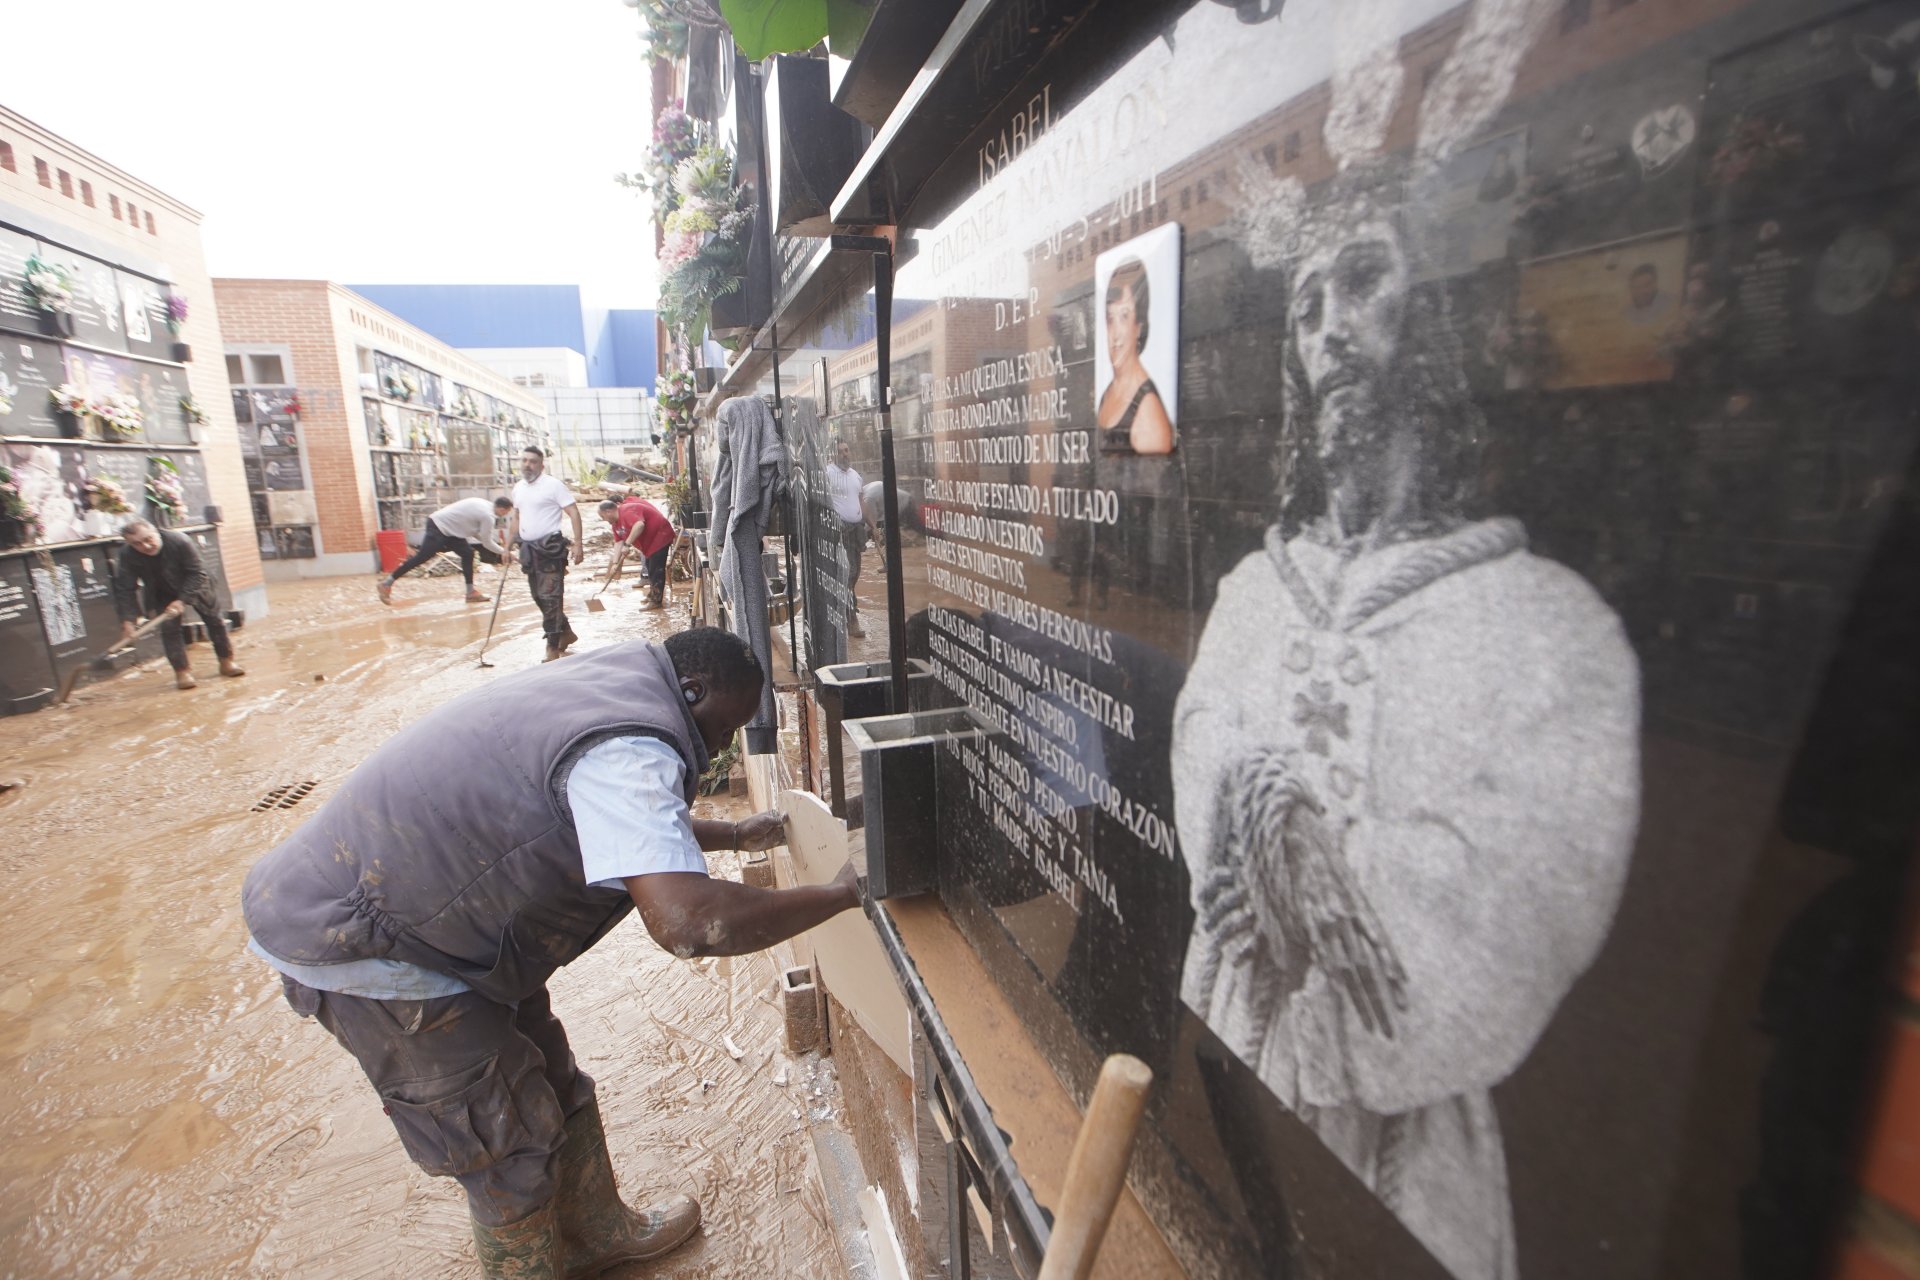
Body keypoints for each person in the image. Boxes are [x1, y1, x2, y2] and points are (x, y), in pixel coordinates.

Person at [1172, 168, 1641, 1280]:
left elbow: (1524, 889)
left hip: (1407, 1149)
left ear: (1432, 315)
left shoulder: (1549, 625)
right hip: (1234, 1053)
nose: (1333, 326)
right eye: (1308, 304)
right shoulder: (1253, 592)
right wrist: (1253, 800)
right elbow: (1201, 745)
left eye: (1366, 281)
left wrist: (1320, 856)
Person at [241, 627, 860, 1278]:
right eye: (721, 727)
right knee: (502, 1138)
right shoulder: (630, 748)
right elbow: (690, 922)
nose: (719, 747)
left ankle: (598, 1232)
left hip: (437, 915)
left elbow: (604, 821)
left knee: (547, 1070)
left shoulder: (627, 676)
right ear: (692, 690)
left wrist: (731, 833)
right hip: (374, 942)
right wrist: (840, 894)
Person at [113, 519, 245, 691]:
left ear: (156, 532)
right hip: (161, 590)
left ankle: (227, 661)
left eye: (148, 539)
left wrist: (182, 600)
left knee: (215, 622)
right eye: (137, 544)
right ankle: (182, 672)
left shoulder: (179, 541)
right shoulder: (127, 554)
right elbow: (125, 588)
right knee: (170, 630)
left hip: (196, 584)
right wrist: (128, 620)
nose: (145, 546)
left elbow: (197, 573)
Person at [505, 447, 583, 662]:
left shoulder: (553, 485)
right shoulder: (518, 488)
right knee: (538, 597)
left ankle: (552, 646)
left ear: (541, 465)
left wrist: (578, 544)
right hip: (528, 549)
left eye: (532, 461)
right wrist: (507, 546)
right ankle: (565, 632)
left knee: (551, 597)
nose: (527, 465)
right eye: (524, 460)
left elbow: (573, 512)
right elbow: (517, 518)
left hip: (550, 549)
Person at [1095, 258, 1175, 455]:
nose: (1116, 333)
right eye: (1110, 318)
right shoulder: (1108, 393)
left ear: (1138, 326)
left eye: (1124, 316)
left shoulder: (1148, 408)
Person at [378, 496, 513, 605]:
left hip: (450, 530)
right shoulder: (488, 516)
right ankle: (386, 583)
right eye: (506, 513)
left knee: (468, 553)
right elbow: (487, 542)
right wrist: (505, 552)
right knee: (422, 558)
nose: (504, 516)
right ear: (502, 509)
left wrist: (501, 548)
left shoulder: (483, 503)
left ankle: (470, 593)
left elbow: (477, 533)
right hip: (439, 527)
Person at [823, 439, 869, 637]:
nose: (845, 454)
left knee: (855, 574)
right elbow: (822, 503)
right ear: (834, 454)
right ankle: (852, 621)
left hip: (857, 530)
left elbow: (861, 501)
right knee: (848, 576)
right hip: (840, 533)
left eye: (847, 450)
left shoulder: (855, 475)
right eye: (841, 451)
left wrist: (873, 526)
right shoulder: (827, 474)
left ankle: (843, 610)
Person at [597, 496, 675, 609]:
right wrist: (615, 563)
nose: (604, 520)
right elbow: (618, 542)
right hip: (649, 544)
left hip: (660, 536)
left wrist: (627, 544)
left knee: (656, 569)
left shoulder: (626, 511)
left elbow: (639, 525)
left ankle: (656, 601)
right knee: (649, 566)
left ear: (608, 512)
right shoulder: (615, 524)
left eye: (603, 517)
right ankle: (652, 595)